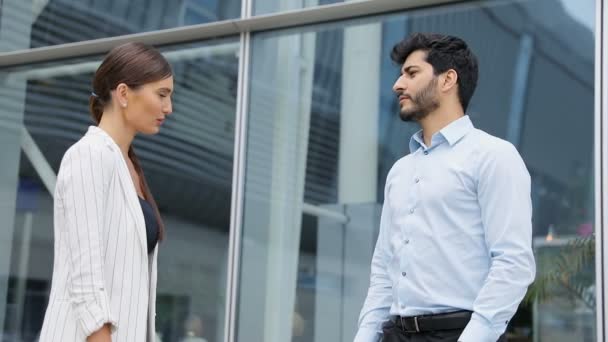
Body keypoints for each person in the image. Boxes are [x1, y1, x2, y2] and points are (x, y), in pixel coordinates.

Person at [354, 33, 535, 342]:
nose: (398, 84)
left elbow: (513, 264)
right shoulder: (400, 171)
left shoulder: (493, 156)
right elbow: (384, 268)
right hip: (394, 334)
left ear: (448, 79)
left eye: (412, 73)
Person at [38, 41, 173, 342]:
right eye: (161, 95)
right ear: (124, 94)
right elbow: (86, 275)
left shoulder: (129, 167)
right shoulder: (89, 155)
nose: (168, 108)